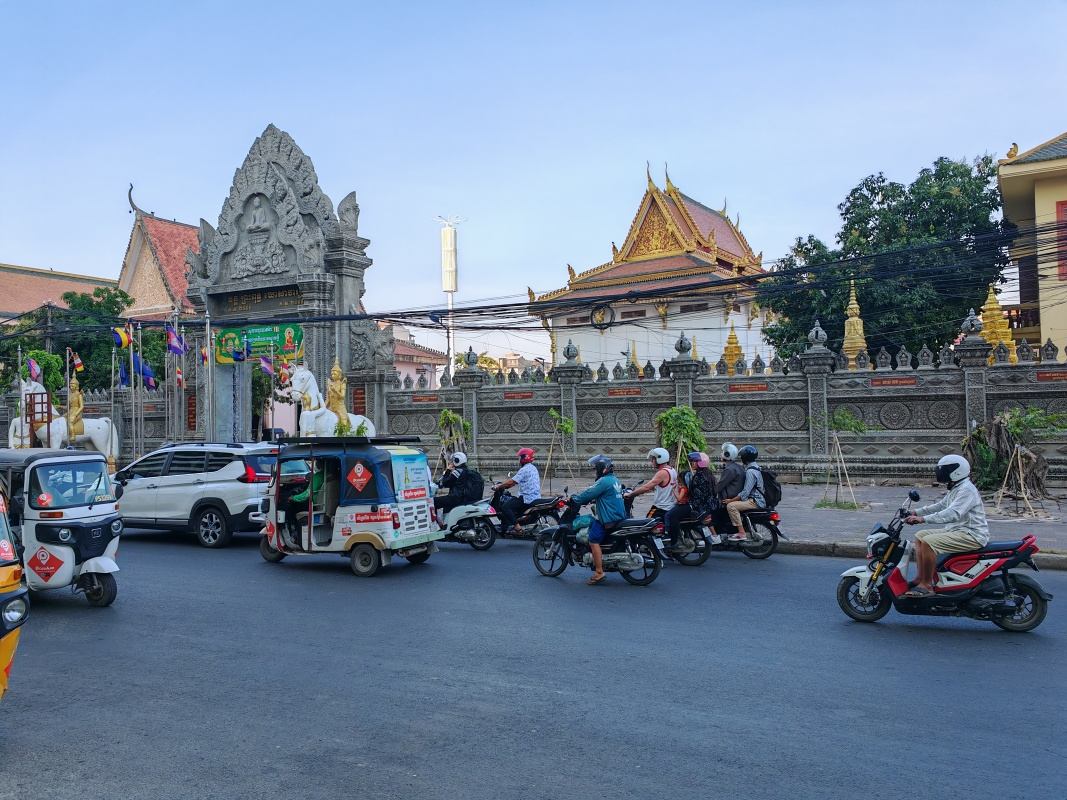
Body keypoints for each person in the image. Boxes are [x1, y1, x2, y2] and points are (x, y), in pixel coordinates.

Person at [903, 454, 989, 598]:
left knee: (929, 543)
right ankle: (920, 578)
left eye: (944, 469)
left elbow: (952, 514)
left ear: (957, 471)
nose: (940, 472)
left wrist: (922, 519)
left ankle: (927, 585)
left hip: (972, 535)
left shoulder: (966, 490)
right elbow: (941, 505)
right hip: (958, 530)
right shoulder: (957, 487)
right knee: (919, 536)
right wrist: (915, 512)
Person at [571, 455, 627, 585]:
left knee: (592, 539)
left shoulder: (603, 481)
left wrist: (576, 499)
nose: (596, 470)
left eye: (597, 468)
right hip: (618, 516)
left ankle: (599, 572)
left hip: (608, 519)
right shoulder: (614, 480)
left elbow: (589, 492)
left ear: (603, 468)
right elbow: (603, 495)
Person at [723, 445, 765, 541]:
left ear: (745, 458)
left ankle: (741, 533)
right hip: (757, 499)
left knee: (731, 506)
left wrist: (731, 500)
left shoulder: (750, 472)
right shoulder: (756, 467)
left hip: (754, 501)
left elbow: (745, 493)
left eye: (742, 456)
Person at [494, 448, 541, 533]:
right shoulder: (533, 468)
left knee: (505, 507)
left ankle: (517, 527)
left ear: (524, 458)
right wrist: (506, 486)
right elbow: (513, 483)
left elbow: (512, 481)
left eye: (520, 457)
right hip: (535, 497)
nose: (519, 460)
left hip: (527, 498)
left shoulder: (524, 470)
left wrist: (499, 486)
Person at [434, 452, 483, 518]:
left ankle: (435, 524)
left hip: (455, 498)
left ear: (456, 460)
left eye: (453, 460)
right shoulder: (469, 471)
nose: (452, 462)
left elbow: (445, 483)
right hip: (464, 498)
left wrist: (448, 470)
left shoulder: (457, 472)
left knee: (434, 501)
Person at [713, 442, 745, 534]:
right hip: (736, 497)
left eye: (723, 452)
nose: (721, 454)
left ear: (727, 455)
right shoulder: (738, 467)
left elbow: (720, 486)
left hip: (729, 499)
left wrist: (711, 491)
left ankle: (718, 535)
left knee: (713, 514)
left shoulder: (729, 470)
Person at [286, 462, 325, 536]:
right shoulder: (330, 475)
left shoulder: (318, 476)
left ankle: (297, 534)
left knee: (294, 511)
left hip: (317, 505)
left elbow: (307, 494)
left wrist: (293, 498)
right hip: (322, 503)